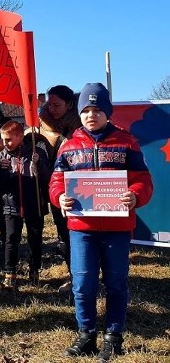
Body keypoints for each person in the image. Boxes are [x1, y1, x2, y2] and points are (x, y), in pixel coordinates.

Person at [50, 83, 152, 361]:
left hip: (117, 228)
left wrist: (135, 195)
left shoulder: (126, 142)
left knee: (116, 282)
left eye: (97, 109)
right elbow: (56, 182)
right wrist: (60, 198)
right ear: (79, 113)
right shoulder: (69, 146)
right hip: (82, 230)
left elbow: (144, 179)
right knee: (82, 284)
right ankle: (86, 334)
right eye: (86, 110)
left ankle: (113, 336)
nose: (91, 115)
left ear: (107, 112)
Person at [0, 120, 50, 289]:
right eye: (3, 139)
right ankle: (10, 272)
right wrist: (0, 171)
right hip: (11, 203)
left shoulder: (36, 152)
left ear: (19, 136)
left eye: (9, 139)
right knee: (11, 238)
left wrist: (39, 164)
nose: (5, 143)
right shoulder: (2, 155)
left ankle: (34, 269)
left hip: (35, 203)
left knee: (35, 238)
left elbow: (46, 178)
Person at [39, 84, 82, 292]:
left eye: (57, 105)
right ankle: (74, 274)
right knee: (63, 234)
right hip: (57, 186)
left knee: (80, 235)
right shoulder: (44, 123)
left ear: (70, 104)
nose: (52, 109)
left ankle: (85, 275)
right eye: (50, 105)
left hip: (80, 187)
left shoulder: (81, 127)